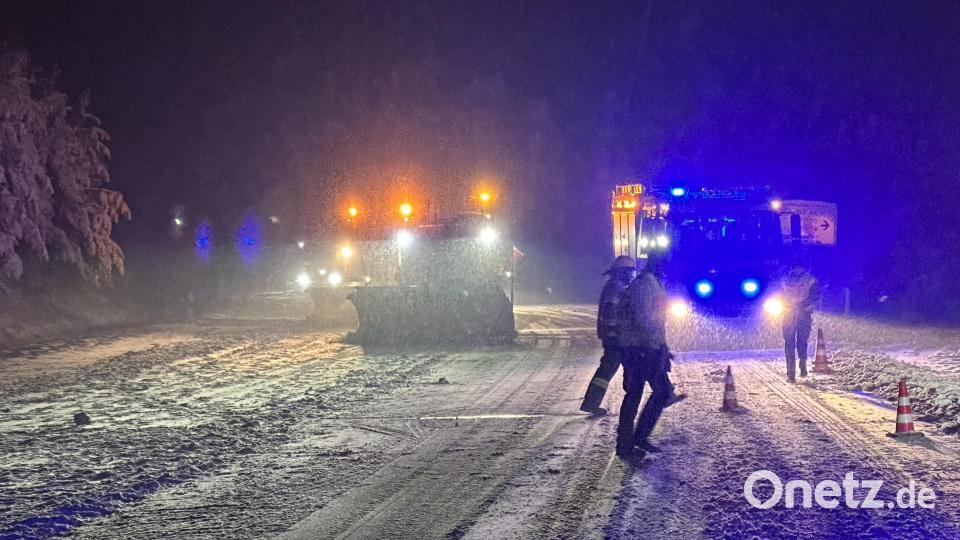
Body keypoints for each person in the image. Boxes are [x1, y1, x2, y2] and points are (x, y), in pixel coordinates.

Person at [615, 251, 676, 458]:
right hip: (638, 349)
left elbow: (656, 320)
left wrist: (662, 346)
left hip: (645, 347)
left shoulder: (651, 284)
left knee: (660, 391)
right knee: (637, 395)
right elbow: (644, 320)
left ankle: (636, 438)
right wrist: (657, 346)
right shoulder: (645, 286)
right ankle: (627, 444)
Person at [580, 255, 636, 416]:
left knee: (608, 369)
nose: (630, 276)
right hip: (615, 337)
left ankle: (592, 402)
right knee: (608, 370)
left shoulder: (615, 286)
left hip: (615, 336)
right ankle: (592, 403)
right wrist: (613, 334)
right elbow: (611, 312)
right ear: (622, 272)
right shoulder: (615, 288)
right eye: (629, 272)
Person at [780, 262, 821, 383]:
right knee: (789, 343)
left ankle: (803, 365)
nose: (797, 269)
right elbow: (778, 294)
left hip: (804, 315)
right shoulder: (785, 280)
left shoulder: (810, 280)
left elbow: (816, 295)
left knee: (802, 342)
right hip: (788, 315)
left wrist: (805, 305)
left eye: (799, 267)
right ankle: (791, 373)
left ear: (803, 268)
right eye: (795, 267)